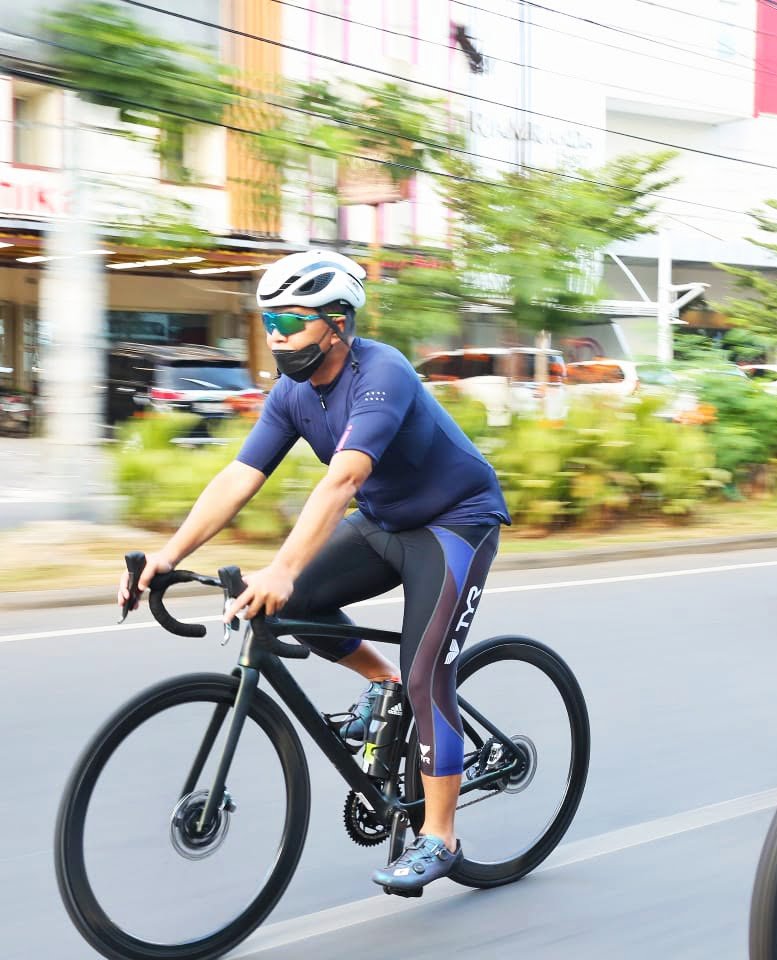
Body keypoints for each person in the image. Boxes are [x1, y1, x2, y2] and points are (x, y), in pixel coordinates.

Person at [117, 250, 511, 894]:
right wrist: (169, 555)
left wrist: (282, 566)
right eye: (268, 321)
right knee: (295, 603)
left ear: (337, 322)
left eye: (290, 321)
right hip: (385, 519)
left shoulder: (382, 373)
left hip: (455, 523)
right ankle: (379, 680)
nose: (275, 335)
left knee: (426, 672)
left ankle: (440, 836)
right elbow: (239, 477)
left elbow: (343, 480)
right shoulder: (291, 394)